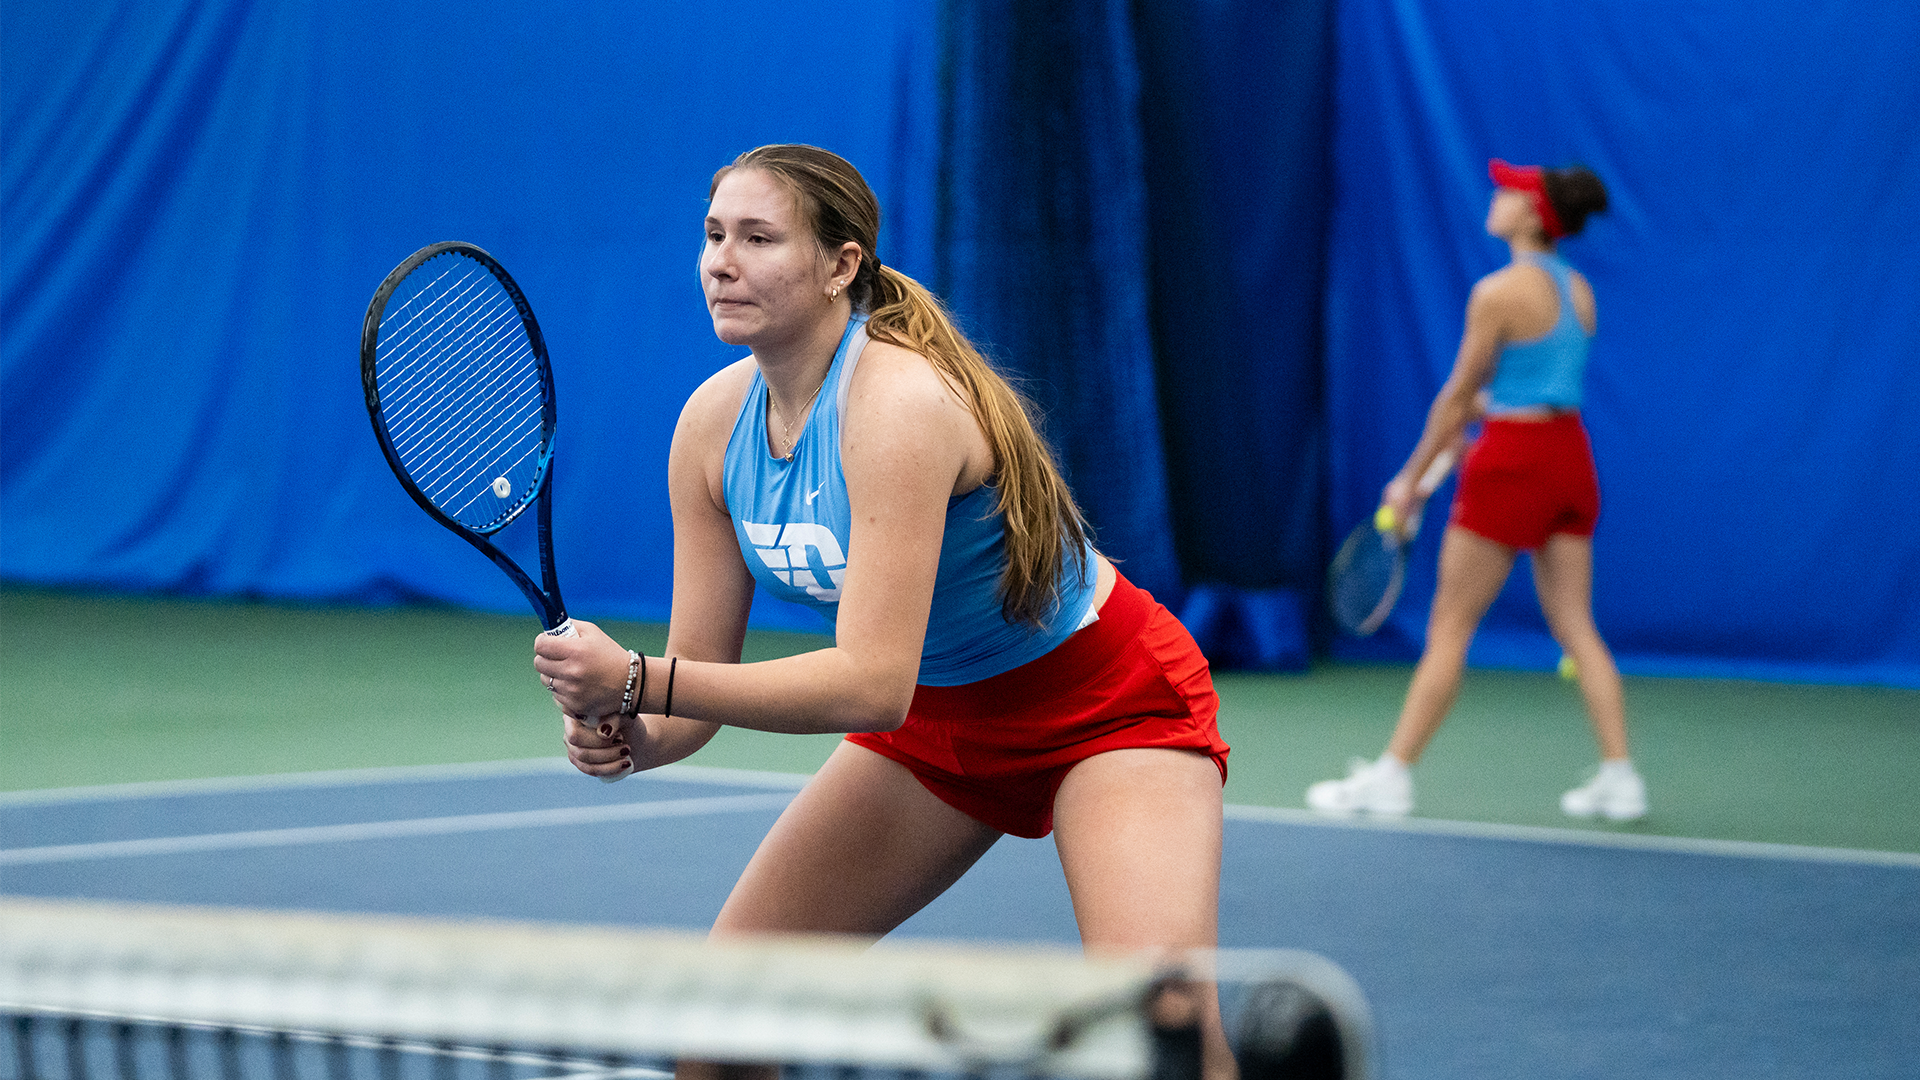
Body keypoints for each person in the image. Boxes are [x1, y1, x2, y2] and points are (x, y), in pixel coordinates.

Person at [532, 145, 1237, 1077]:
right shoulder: (710, 427)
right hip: (936, 727)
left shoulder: (899, 405)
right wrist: (636, 732)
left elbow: (870, 686)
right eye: (713, 235)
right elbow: (691, 684)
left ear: (841, 265)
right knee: (720, 1029)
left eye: (758, 238)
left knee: (1165, 1034)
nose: (722, 263)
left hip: (1107, 708)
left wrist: (635, 679)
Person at [1306, 159, 1646, 822]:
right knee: (1577, 625)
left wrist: (1409, 480)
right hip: (1569, 459)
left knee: (1450, 627)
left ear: (1533, 213)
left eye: (1509, 191)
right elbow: (1536, 387)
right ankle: (1621, 776)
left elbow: (1457, 396)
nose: (1496, 196)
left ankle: (1391, 777)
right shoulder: (1580, 291)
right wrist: (1486, 421)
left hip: (1513, 464)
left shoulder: (1497, 293)